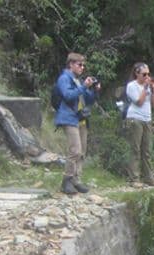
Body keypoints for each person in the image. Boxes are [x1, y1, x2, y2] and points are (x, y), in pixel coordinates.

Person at [54, 52, 99, 195]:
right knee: (75, 150)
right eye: (80, 64)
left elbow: (88, 100)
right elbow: (68, 95)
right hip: (69, 118)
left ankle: (76, 180)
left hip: (81, 119)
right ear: (71, 64)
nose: (82, 68)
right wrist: (84, 87)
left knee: (82, 152)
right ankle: (66, 180)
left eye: (83, 65)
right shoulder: (64, 79)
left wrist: (94, 90)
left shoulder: (77, 80)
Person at [124, 62, 154, 186]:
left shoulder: (148, 87)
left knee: (147, 150)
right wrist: (145, 89)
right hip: (135, 118)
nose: (146, 77)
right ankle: (133, 178)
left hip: (147, 119)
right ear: (136, 73)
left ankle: (149, 178)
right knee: (135, 149)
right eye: (144, 74)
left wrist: (153, 91)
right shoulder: (131, 86)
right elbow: (139, 101)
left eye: (148, 74)